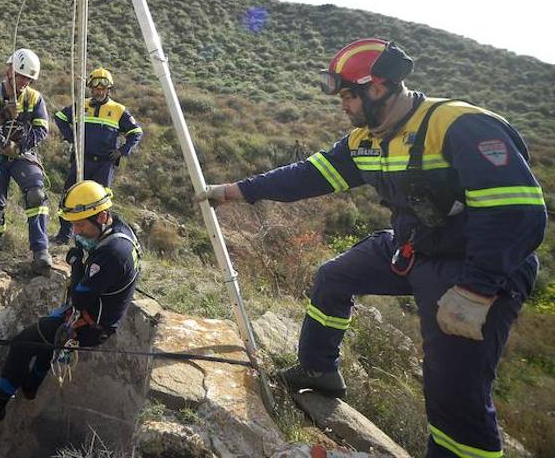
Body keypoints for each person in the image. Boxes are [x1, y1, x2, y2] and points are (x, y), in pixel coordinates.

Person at [199, 38, 546, 458]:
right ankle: (318, 369)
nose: (343, 105)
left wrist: (476, 290)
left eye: (348, 95)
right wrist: (236, 191)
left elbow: (517, 214)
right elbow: (309, 175)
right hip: (416, 247)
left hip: (477, 265)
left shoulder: (458, 125)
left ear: (377, 88)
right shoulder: (366, 138)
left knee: (455, 389)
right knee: (335, 276)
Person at [0, 180, 141, 421]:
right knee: (44, 338)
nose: (76, 232)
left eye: (80, 226)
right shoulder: (120, 229)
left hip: (89, 325)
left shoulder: (113, 253)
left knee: (22, 343)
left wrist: (77, 262)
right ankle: (31, 386)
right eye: (73, 225)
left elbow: (80, 298)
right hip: (96, 316)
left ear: (103, 216)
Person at [0, 48, 52, 268]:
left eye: (29, 78)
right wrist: (2, 116)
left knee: (36, 194)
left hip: (22, 155)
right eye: (21, 76)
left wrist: (19, 146)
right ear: (10, 71)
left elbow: (41, 130)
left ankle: (40, 250)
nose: (25, 82)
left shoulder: (35, 99)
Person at [51, 67, 143, 244]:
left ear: (109, 89)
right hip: (81, 161)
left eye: (103, 88)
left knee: (100, 203)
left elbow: (136, 132)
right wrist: (71, 137)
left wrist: (122, 151)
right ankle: (64, 235)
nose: (99, 91)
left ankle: (99, 238)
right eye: (96, 88)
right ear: (91, 88)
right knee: (69, 197)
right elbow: (60, 117)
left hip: (104, 165)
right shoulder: (81, 105)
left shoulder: (118, 110)